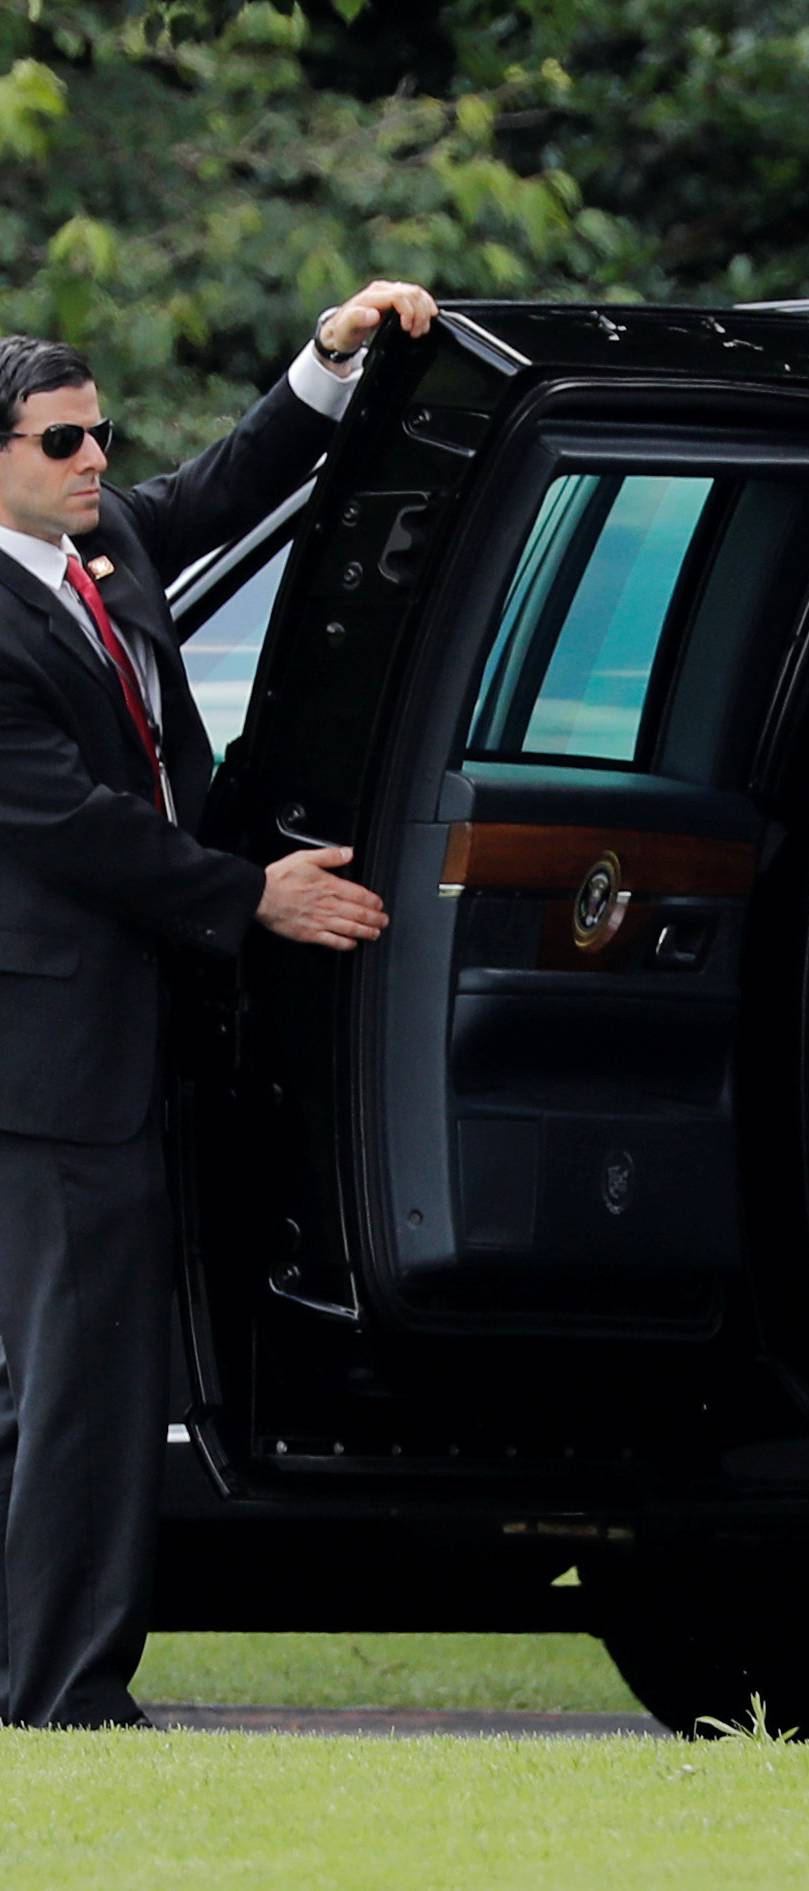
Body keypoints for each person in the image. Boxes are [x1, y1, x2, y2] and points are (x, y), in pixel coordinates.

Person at [0, 278, 436, 1728]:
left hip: (133, 1039)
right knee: (83, 1384)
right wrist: (253, 893)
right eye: (61, 441)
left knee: (76, 1378)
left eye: (99, 433)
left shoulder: (100, 545)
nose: (95, 460)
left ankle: (48, 1672)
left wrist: (326, 361)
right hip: (48, 1061)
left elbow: (224, 488)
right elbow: (70, 825)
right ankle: (65, 1691)